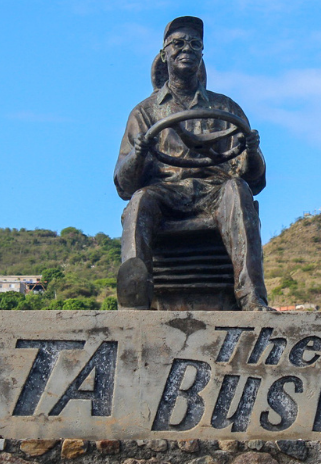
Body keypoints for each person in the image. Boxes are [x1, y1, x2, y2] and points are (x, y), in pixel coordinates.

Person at [114, 16, 271, 311]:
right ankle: (135, 302)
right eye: (178, 43)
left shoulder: (225, 107)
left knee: (237, 190)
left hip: (214, 190)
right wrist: (138, 154)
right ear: (164, 54)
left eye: (194, 43)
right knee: (139, 201)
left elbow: (255, 180)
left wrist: (252, 152)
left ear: (201, 54)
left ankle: (252, 297)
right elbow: (123, 184)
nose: (187, 48)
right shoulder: (144, 112)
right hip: (167, 193)